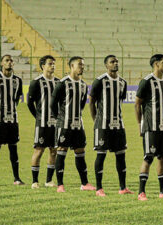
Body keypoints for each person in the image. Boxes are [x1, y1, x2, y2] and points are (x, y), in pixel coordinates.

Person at [51, 56, 95, 193]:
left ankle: (84, 183)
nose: (82, 67)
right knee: (62, 151)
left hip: (78, 124)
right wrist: (60, 118)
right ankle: (60, 184)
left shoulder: (83, 85)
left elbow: (82, 105)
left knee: (80, 151)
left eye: (83, 65)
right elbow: (53, 104)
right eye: (80, 65)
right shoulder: (62, 83)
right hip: (64, 124)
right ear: (71, 66)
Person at [89, 55, 131, 197]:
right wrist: (96, 120)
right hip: (103, 125)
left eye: (116, 61)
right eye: (112, 62)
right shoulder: (99, 81)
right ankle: (99, 188)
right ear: (106, 65)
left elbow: (120, 101)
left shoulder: (122, 83)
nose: (115, 64)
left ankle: (123, 187)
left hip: (118, 125)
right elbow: (92, 102)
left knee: (121, 156)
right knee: (101, 155)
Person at [135, 54, 163, 201]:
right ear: (156, 64)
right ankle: (141, 192)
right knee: (148, 157)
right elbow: (137, 104)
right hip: (151, 126)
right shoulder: (146, 81)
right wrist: (140, 125)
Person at [0, 54, 24, 187]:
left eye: (11, 61)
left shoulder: (18, 81)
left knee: (13, 149)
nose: (9, 62)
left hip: (13, 121)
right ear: (1, 63)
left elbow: (17, 99)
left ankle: (17, 178)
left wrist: (11, 112)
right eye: (7, 60)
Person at [28, 55, 60, 189]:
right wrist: (38, 117)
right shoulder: (36, 82)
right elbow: (30, 103)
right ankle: (35, 181)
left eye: (53, 64)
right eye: (50, 64)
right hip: (42, 124)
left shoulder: (59, 82)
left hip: (56, 124)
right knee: (39, 151)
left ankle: (48, 180)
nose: (52, 66)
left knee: (53, 151)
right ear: (43, 66)